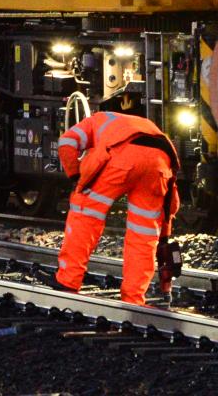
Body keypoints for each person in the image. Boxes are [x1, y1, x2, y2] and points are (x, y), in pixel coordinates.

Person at [53, 110, 181, 307]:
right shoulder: (144, 124)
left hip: (121, 159)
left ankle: (67, 281)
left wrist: (76, 177)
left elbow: (66, 143)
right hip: (159, 165)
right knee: (144, 235)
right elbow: (170, 206)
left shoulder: (95, 120)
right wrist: (165, 234)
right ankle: (133, 299)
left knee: (85, 214)